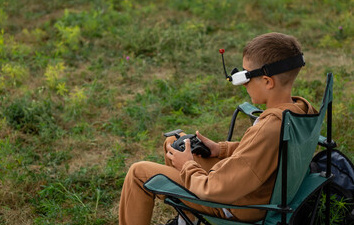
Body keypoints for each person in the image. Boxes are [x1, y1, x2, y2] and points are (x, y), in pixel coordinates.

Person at [118, 32, 317, 225]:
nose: (244, 85)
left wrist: (188, 165)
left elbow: (215, 188)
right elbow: (266, 153)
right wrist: (220, 149)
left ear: (267, 82)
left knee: (138, 173)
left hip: (238, 205)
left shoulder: (268, 128)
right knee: (175, 143)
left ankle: (190, 215)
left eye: (246, 77)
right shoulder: (299, 111)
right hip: (260, 192)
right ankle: (188, 220)